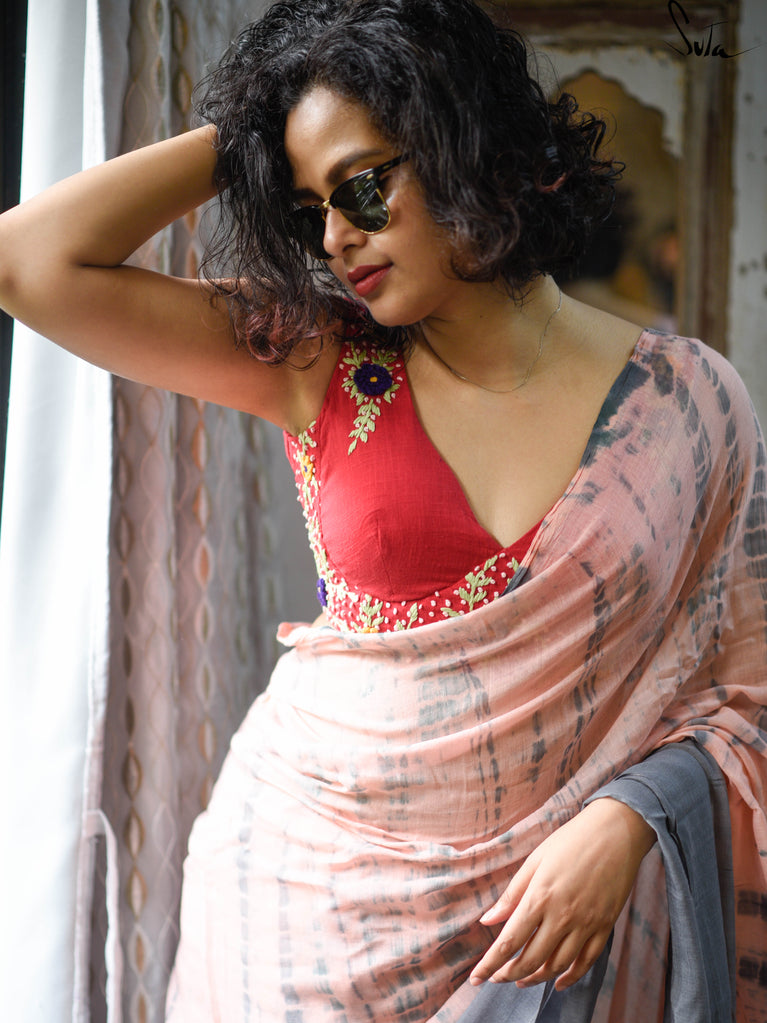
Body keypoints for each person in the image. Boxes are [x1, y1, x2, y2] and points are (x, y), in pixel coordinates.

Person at [0, 1, 765, 1020]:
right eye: (308, 208)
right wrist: (254, 131)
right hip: (295, 915)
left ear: (463, 145)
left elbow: (742, 687)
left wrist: (627, 819)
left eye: (362, 186)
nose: (334, 236)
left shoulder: (689, 403)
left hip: (546, 935)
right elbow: (28, 264)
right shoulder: (316, 355)